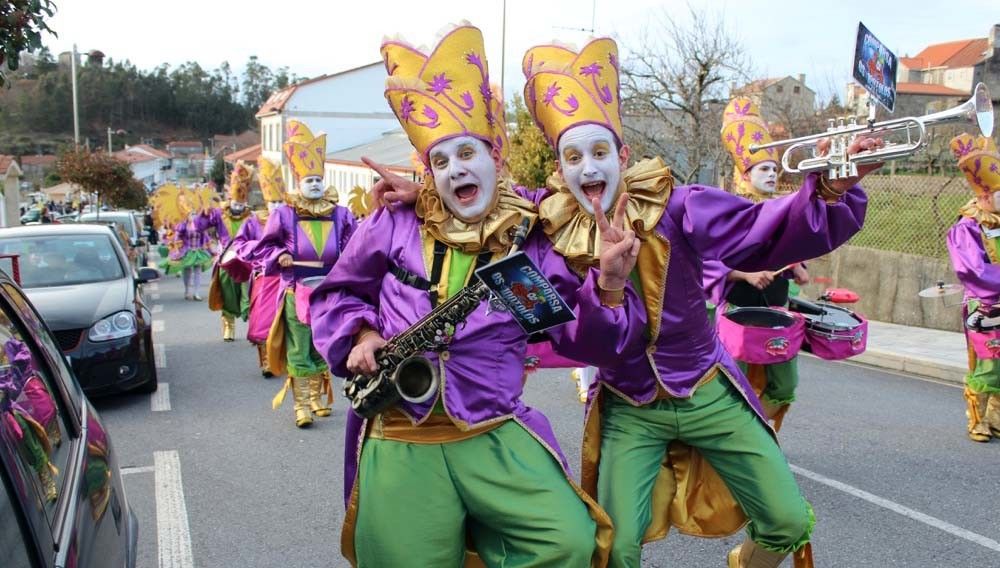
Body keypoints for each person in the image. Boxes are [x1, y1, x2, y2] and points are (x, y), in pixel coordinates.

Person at [518, 37, 875, 568]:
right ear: (560, 169)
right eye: (574, 157)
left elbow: (762, 230)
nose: (589, 168)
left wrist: (827, 191)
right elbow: (575, 339)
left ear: (623, 156)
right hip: (630, 406)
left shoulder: (680, 207)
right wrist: (608, 285)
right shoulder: (551, 240)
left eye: (599, 152)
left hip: (707, 390)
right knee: (615, 547)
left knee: (787, 521)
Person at [309, 23, 644, 568]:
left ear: (495, 156)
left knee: (568, 543)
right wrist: (361, 333)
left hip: (491, 430)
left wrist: (608, 284)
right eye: (440, 162)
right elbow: (336, 294)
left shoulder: (530, 241)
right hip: (402, 431)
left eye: (467, 153)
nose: (456, 169)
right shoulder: (394, 224)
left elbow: (583, 341)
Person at [702, 97, 811, 429]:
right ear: (744, 173)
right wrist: (745, 275)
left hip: (777, 312)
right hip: (738, 312)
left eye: (775, 169)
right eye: (764, 168)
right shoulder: (728, 211)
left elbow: (789, 253)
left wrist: (798, 267)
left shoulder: (779, 210)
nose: (772, 175)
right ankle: (735, 439)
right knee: (735, 386)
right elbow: (705, 261)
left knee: (785, 385)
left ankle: (756, 432)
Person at [251, 121, 356, 427]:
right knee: (300, 349)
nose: (313, 184)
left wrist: (348, 264)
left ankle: (317, 398)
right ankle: (301, 406)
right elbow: (263, 247)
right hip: (297, 292)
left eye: (317, 178)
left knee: (324, 344)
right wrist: (279, 255)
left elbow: (356, 246)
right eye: (308, 179)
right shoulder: (283, 214)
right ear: (298, 181)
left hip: (330, 292)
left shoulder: (341, 214)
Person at [946, 133, 1000, 443]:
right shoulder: (968, 225)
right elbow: (971, 268)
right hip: (986, 303)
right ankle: (977, 418)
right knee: (987, 362)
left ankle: (996, 416)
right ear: (983, 194)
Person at [225, 156, 288, 377]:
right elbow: (240, 244)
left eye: (280, 202)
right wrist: (260, 249)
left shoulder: (294, 218)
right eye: (273, 203)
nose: (277, 208)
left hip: (290, 277)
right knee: (263, 319)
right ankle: (266, 361)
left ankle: (289, 358)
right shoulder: (254, 221)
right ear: (266, 202)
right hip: (264, 276)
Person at [209, 160, 255, 342]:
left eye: (240, 203)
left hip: (246, 261)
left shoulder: (251, 218)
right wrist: (203, 214)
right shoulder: (219, 215)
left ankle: (254, 326)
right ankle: (229, 327)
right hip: (226, 262)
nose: (237, 207)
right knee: (228, 295)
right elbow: (200, 225)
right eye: (235, 203)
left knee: (249, 295)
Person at [161, 194, 216, 300]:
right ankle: (187, 290)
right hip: (187, 251)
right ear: (187, 215)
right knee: (187, 270)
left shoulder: (201, 226)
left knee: (197, 270)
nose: (194, 216)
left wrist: (212, 250)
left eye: (195, 214)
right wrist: (177, 249)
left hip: (199, 251)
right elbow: (177, 237)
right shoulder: (183, 226)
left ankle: (196, 292)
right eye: (191, 214)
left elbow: (206, 238)